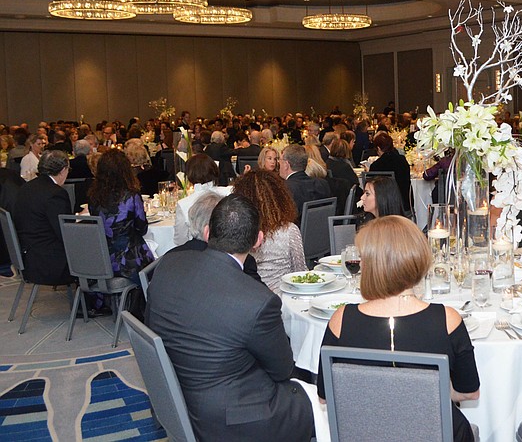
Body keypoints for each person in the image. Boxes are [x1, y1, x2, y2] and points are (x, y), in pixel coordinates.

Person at [146, 195, 314, 441]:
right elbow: (282, 371)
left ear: (206, 232)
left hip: (176, 399)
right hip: (229, 421)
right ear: (258, 240)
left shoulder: (168, 264)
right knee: (316, 396)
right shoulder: (258, 300)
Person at [317, 216, 480, 442]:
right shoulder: (447, 320)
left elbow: (326, 397)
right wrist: (430, 389)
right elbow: (470, 392)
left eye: (363, 258)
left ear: (373, 266)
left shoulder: (340, 320)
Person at [232, 170, 306, 291]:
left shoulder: (237, 232)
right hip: (283, 298)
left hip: (248, 296)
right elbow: (301, 273)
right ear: (279, 198)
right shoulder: (289, 230)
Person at [87, 149, 154, 281]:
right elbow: (142, 228)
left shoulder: (93, 196)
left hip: (100, 259)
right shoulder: (130, 196)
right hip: (128, 263)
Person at [12, 150, 75, 287]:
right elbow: (65, 233)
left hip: (28, 258)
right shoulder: (56, 194)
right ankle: (92, 305)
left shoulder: (25, 188)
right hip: (49, 264)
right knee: (95, 256)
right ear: (63, 170)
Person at [173, 154, 231, 246]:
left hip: (198, 253)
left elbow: (180, 240)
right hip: (229, 248)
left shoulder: (184, 203)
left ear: (189, 175)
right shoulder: (229, 192)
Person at [279, 144, 333, 223]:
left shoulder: (285, 188)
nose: (278, 164)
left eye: (280, 160)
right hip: (323, 232)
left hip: (297, 233)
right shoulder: (322, 184)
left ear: (286, 165)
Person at [368, 132, 411, 212]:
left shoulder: (376, 165)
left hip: (382, 206)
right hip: (403, 204)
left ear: (378, 148)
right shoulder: (402, 160)